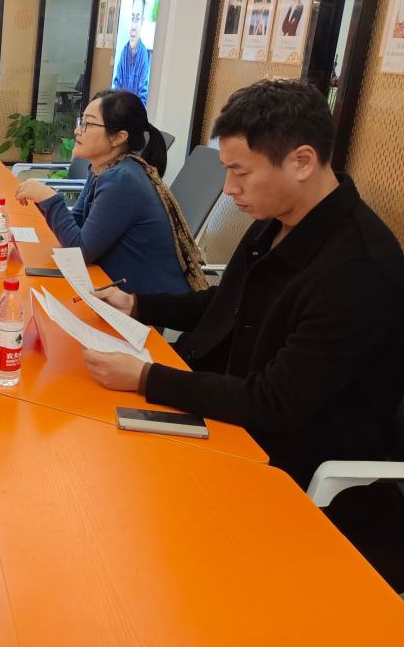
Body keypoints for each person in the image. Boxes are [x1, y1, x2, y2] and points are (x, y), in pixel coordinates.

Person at [80, 79, 404, 590]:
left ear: (301, 162)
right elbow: (226, 305)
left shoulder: (358, 271)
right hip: (229, 415)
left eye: (239, 172)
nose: (229, 189)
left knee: (122, 536)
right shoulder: (278, 221)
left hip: (286, 463)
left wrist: (146, 377)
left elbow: (274, 404)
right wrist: (138, 303)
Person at [16, 90, 205, 295]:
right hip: (114, 288)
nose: (77, 131)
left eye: (88, 124)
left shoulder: (122, 180)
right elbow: (78, 223)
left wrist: (50, 199)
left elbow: (79, 252)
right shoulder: (103, 168)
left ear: (118, 137)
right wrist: (47, 201)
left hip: (146, 303)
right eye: (81, 122)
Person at [112, 0, 150, 106]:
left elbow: (143, 97)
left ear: (142, 21)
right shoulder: (124, 51)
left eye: (137, 19)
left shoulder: (143, 55)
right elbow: (117, 87)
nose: (133, 26)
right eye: (133, 18)